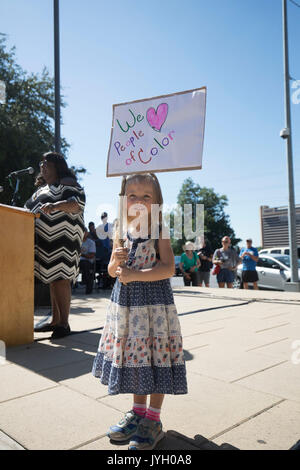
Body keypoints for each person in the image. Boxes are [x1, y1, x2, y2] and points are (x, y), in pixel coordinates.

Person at [92, 173, 187, 451]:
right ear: (123, 199)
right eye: (133, 195)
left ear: (157, 202)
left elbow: (168, 267)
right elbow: (111, 269)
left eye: (147, 196)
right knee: (138, 356)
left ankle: (153, 421)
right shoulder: (120, 229)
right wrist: (117, 263)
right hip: (127, 306)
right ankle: (137, 413)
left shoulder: (159, 229)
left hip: (155, 305)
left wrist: (135, 274)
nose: (139, 200)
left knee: (157, 355)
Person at [25, 152, 85, 339]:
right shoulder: (41, 189)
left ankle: (64, 324)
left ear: (57, 167)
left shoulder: (66, 183)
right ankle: (55, 321)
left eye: (47, 163)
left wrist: (56, 206)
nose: (43, 166)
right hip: (44, 241)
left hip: (63, 240)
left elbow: (76, 204)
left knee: (61, 277)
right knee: (53, 280)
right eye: (41, 163)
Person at [80, 228, 96, 294]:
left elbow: (91, 255)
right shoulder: (77, 241)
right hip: (78, 261)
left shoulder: (91, 242)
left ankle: (88, 289)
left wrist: (81, 254)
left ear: (87, 233)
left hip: (88, 262)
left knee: (85, 265)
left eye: (84, 232)